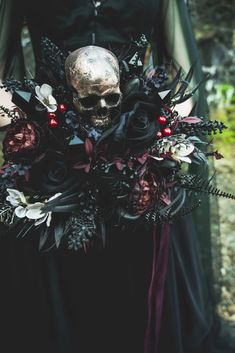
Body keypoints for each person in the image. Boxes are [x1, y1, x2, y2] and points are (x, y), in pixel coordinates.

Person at [0, 1, 232, 353]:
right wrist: (28, 123)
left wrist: (160, 129)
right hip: (50, 156)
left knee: (136, 279)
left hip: (139, 150)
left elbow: (185, 71)